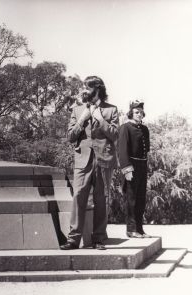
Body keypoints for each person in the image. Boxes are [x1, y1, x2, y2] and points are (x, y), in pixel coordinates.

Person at [61, 76, 119, 250]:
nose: (83, 90)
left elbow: (116, 135)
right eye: (83, 87)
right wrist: (82, 119)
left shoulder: (111, 110)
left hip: (104, 159)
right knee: (78, 196)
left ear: (97, 89)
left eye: (87, 87)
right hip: (82, 160)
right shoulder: (77, 110)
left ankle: (99, 239)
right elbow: (70, 137)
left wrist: (100, 120)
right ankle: (73, 240)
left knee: (102, 199)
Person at [118, 100, 152, 238]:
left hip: (142, 165)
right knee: (131, 199)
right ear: (131, 113)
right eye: (136, 112)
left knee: (140, 199)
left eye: (141, 112)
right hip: (130, 165)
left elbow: (146, 149)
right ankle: (131, 230)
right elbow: (122, 150)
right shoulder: (125, 127)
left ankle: (139, 229)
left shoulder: (144, 129)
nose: (139, 114)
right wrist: (127, 169)